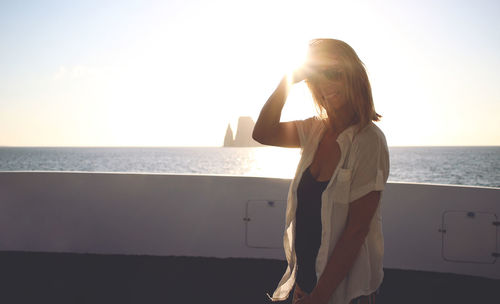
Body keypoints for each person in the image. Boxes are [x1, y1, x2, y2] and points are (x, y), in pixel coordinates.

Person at [252, 39, 389, 304]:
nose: (325, 83)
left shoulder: (369, 140)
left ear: (354, 77)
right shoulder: (314, 131)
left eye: (334, 73)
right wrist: (288, 80)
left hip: (346, 292)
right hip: (307, 285)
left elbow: (356, 230)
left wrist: (320, 296)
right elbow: (263, 132)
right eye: (316, 75)